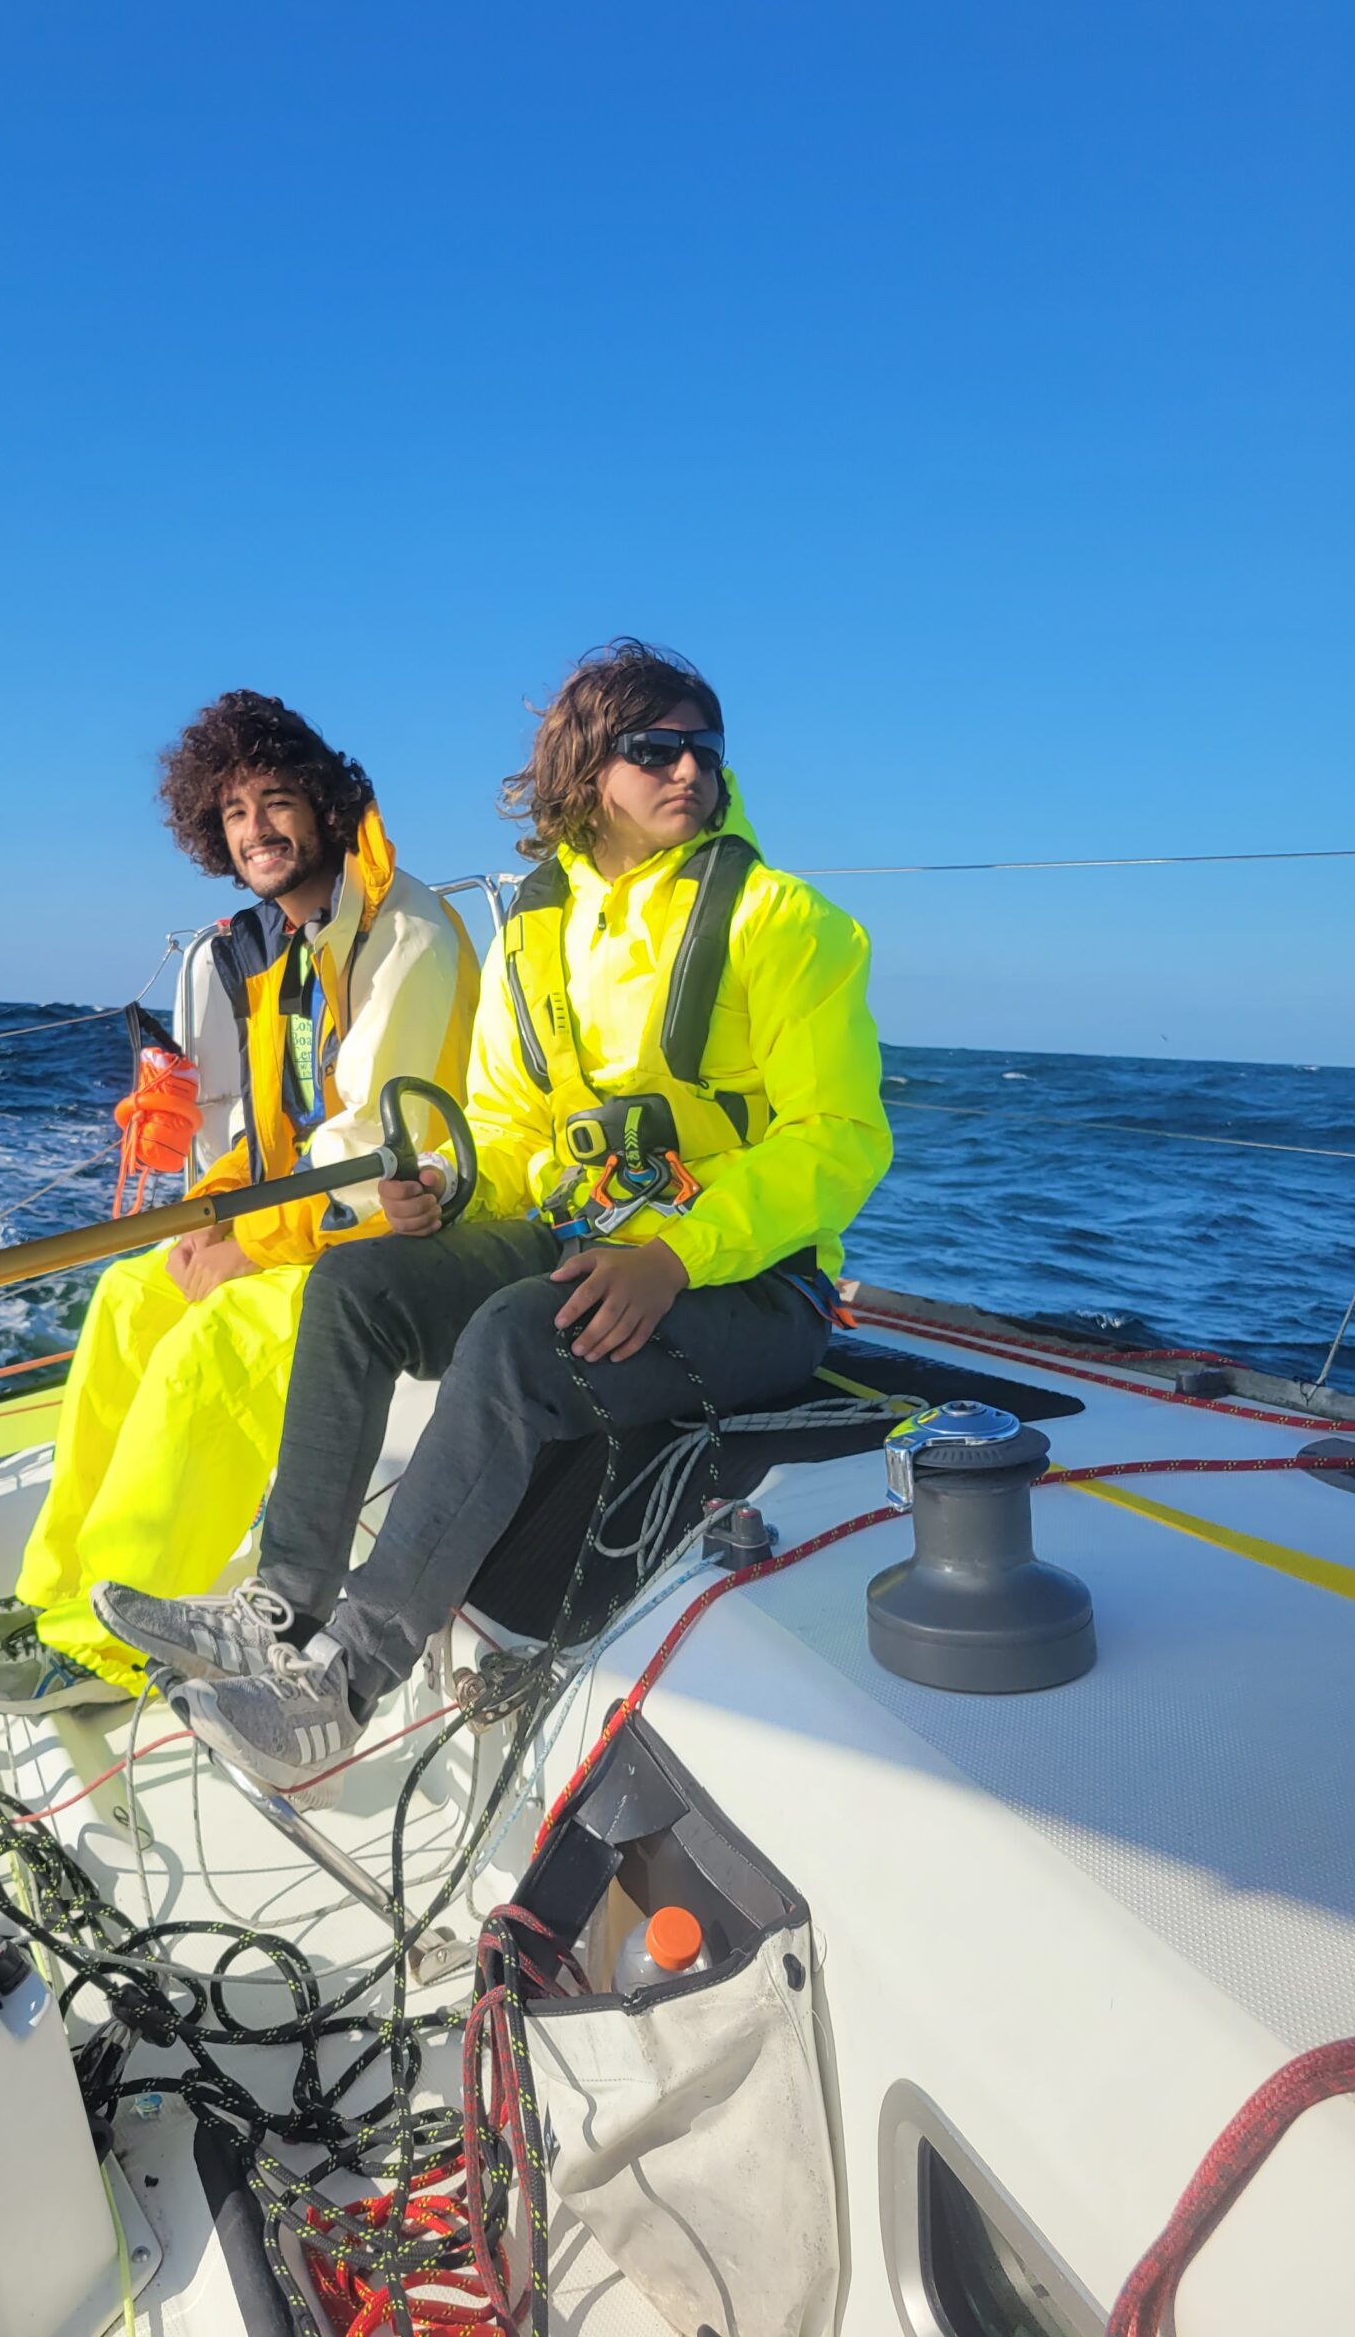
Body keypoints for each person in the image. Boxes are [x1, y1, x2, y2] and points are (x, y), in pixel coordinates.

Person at [94, 640, 892, 1785]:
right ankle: (279, 1607)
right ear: (586, 769)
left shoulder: (787, 924)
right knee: (360, 1282)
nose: (690, 770)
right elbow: (514, 1126)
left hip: (755, 1285)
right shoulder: (535, 930)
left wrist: (675, 1257)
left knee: (521, 1333)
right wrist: (450, 1189)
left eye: (706, 750)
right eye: (656, 748)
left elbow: (839, 1139)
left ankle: (342, 1686)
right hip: (586, 1237)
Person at [0, 690, 478, 1715]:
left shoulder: (403, 934)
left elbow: (372, 1151)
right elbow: (268, 1137)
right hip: (309, 1227)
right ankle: (56, 1594)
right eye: (234, 812)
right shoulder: (291, 948)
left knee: (214, 1345)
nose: (256, 829)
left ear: (323, 803)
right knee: (127, 1299)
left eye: (276, 802)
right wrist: (213, 1217)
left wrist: (251, 1250)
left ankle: (110, 1647)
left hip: (395, 1245)